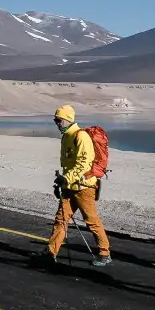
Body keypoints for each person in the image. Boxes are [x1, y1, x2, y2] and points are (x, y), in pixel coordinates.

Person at [38, 105, 112, 268]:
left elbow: (83, 165)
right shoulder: (66, 137)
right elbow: (68, 164)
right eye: (55, 120)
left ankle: (104, 253)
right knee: (60, 219)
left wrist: (66, 179)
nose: (57, 123)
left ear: (68, 119)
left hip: (84, 187)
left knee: (91, 220)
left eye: (59, 120)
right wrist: (62, 181)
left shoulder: (81, 136)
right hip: (70, 187)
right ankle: (51, 252)